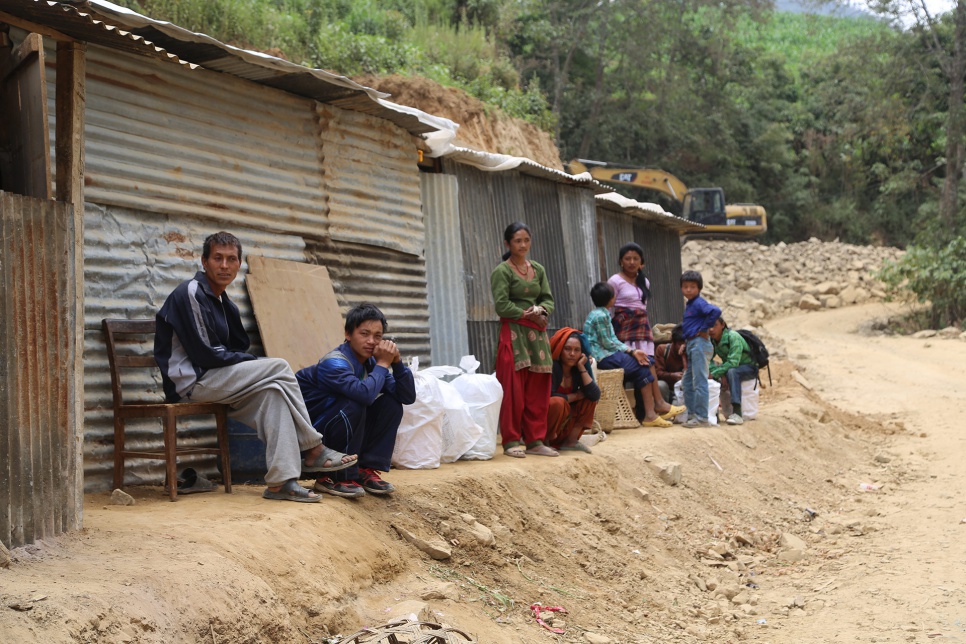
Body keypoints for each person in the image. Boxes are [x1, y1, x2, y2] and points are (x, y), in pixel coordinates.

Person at [154, 231, 356, 504]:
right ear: (204, 261)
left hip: (216, 381)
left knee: (273, 394)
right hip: (191, 383)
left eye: (231, 259)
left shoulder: (226, 304)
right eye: (217, 258)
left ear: (239, 265)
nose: (224, 265)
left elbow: (238, 348)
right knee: (279, 367)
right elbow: (205, 355)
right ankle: (313, 447)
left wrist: (245, 354)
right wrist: (252, 362)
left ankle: (280, 483)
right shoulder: (190, 293)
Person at [296, 304, 416, 498]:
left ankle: (364, 469)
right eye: (364, 334)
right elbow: (364, 395)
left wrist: (397, 363)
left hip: (339, 427)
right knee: (356, 402)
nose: (371, 341)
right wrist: (383, 364)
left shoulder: (369, 363)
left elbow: (406, 397)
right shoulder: (334, 363)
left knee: (391, 404)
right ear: (348, 334)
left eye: (378, 336)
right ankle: (335, 477)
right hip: (311, 439)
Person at [491, 222, 558, 458]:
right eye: (517, 241)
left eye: (526, 240)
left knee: (537, 389)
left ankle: (535, 440)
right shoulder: (502, 271)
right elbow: (501, 304)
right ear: (507, 244)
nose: (522, 245)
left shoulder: (538, 269)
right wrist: (525, 314)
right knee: (513, 389)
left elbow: (548, 298)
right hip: (514, 332)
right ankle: (510, 441)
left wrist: (541, 310)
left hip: (537, 334)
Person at [608, 243, 685, 422]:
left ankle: (654, 408)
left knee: (648, 362)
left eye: (636, 259)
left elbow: (643, 307)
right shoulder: (615, 281)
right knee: (641, 364)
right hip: (625, 328)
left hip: (642, 327)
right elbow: (610, 307)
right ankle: (656, 405)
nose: (632, 262)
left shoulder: (645, 281)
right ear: (621, 261)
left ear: (642, 262)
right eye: (627, 258)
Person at [583, 282, 672, 428]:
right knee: (645, 364)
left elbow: (611, 341)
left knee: (645, 363)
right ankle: (653, 412)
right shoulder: (600, 316)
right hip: (603, 357)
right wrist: (631, 351)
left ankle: (654, 411)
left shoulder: (600, 313)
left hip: (607, 354)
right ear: (611, 299)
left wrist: (630, 351)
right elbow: (608, 343)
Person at [546, 327, 601, 453]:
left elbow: (595, 395)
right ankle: (544, 441)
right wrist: (575, 396)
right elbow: (547, 396)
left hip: (564, 425)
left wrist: (582, 367)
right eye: (567, 349)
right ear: (560, 350)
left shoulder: (577, 371)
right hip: (546, 425)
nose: (572, 354)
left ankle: (570, 441)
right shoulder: (553, 367)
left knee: (589, 399)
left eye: (577, 350)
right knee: (557, 402)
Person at [680, 270, 721, 428]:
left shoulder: (698, 303)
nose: (688, 290)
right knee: (688, 381)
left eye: (692, 287)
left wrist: (704, 328)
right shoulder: (691, 304)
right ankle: (692, 415)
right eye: (685, 287)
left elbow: (715, 311)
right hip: (693, 343)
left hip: (699, 344)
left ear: (699, 288)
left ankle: (702, 417)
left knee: (699, 380)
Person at [708, 316, 759, 426]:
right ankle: (713, 413)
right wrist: (716, 373)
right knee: (713, 373)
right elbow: (709, 359)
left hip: (749, 367)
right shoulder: (712, 340)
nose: (711, 329)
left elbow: (733, 362)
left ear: (722, 325)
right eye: (708, 326)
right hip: (733, 368)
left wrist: (717, 373)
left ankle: (737, 412)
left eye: (714, 325)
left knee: (731, 371)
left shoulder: (733, 337)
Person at [655, 324, 687, 404]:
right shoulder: (663, 350)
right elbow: (657, 373)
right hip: (668, 390)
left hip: (685, 391)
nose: (682, 347)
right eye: (680, 344)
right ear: (673, 342)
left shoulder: (691, 351)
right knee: (660, 385)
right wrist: (672, 376)